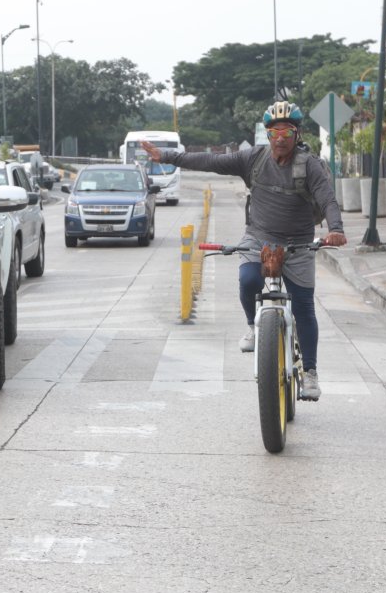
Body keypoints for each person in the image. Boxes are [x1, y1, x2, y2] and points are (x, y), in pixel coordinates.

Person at [140, 101, 347, 400]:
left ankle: (310, 373)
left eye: (287, 131)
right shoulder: (253, 159)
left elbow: (327, 199)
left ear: (297, 133)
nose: (280, 137)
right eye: (274, 131)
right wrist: (167, 156)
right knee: (248, 280)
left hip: (300, 242)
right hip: (259, 237)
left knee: (303, 306)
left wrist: (336, 229)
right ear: (267, 133)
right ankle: (253, 325)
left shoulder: (310, 165)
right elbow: (209, 162)